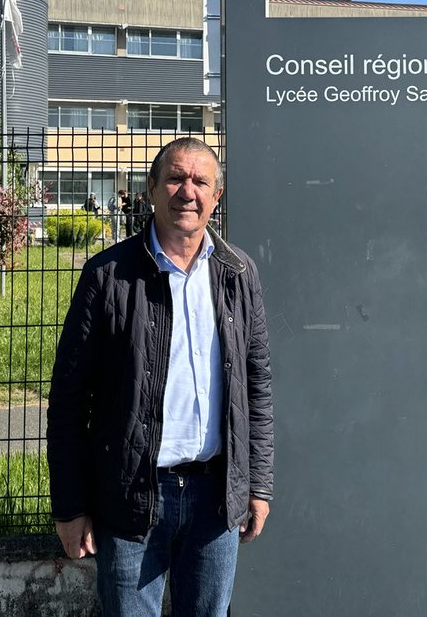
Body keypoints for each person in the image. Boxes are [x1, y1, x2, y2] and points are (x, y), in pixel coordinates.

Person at [46, 137, 272, 617]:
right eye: (174, 178)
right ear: (151, 189)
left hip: (217, 499)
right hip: (131, 497)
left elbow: (257, 388)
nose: (186, 191)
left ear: (217, 195)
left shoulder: (238, 273)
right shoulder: (107, 275)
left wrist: (258, 485)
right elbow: (68, 399)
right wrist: (70, 505)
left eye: (200, 181)